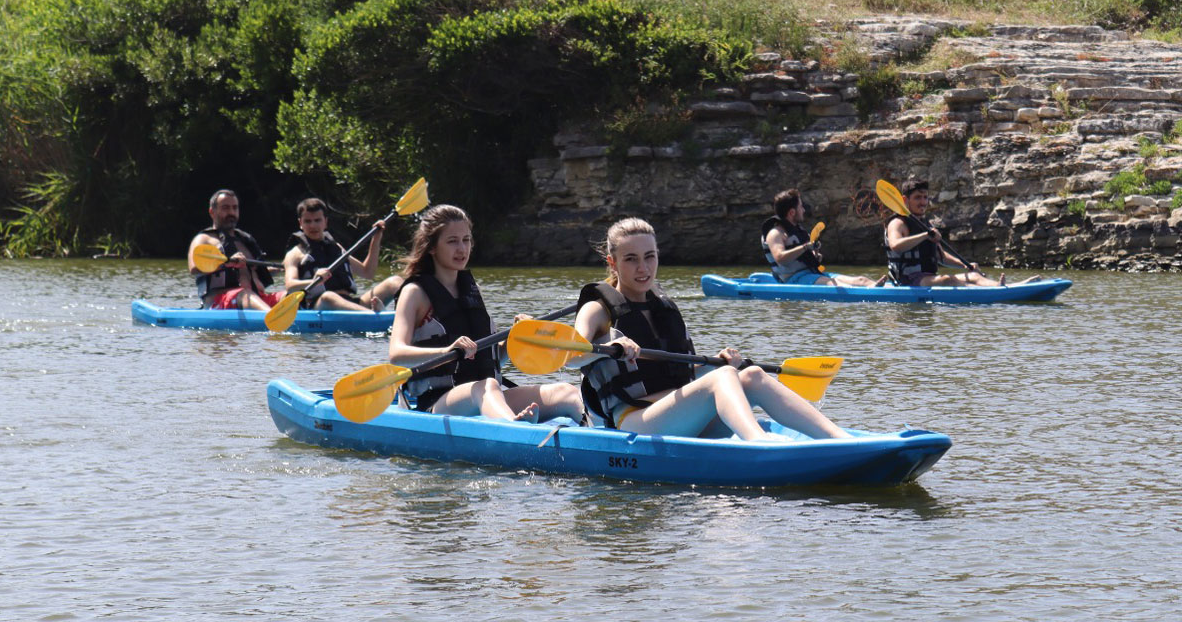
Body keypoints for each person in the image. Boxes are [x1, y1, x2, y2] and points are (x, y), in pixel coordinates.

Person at [569, 217, 850, 441]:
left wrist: (715, 365)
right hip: (634, 420)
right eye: (631, 259)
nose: (643, 268)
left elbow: (678, 375)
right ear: (613, 263)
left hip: (678, 414)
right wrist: (610, 349)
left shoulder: (663, 308)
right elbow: (572, 354)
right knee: (724, 377)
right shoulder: (597, 310)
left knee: (749, 374)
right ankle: (758, 442)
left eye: (649, 256)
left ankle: (839, 438)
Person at [388, 204, 584, 423]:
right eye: (452, 241)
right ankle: (514, 430)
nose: (462, 249)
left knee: (565, 392)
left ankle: (603, 437)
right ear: (432, 247)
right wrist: (447, 350)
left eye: (466, 240)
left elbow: (490, 358)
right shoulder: (415, 292)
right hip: (439, 404)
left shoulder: (470, 289)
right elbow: (396, 353)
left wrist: (517, 337)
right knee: (486, 387)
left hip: (488, 397)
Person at [884, 178, 1042, 287]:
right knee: (949, 279)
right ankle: (998, 290)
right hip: (907, 281)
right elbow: (896, 245)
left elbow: (941, 256)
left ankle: (1003, 287)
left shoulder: (925, 224)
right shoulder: (898, 223)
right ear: (905, 200)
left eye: (925, 197)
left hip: (926, 279)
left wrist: (965, 266)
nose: (923, 202)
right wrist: (925, 235)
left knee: (972, 276)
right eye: (918, 198)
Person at [282, 198, 404, 311]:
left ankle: (408, 315)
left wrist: (376, 238)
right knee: (328, 296)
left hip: (351, 304)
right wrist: (314, 281)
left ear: (325, 221)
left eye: (317, 220)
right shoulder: (294, 254)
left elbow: (368, 272)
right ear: (300, 223)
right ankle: (375, 316)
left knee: (395, 281)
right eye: (308, 221)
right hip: (319, 306)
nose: (313, 225)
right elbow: (290, 286)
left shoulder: (336, 247)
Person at [762, 188, 881, 287]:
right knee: (835, 284)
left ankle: (877, 287)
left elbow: (805, 256)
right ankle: (869, 295)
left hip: (812, 275)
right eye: (800, 207)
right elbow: (780, 257)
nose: (803, 210)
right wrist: (806, 247)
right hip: (793, 280)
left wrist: (815, 257)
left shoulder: (798, 231)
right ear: (792, 212)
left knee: (861, 280)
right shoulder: (775, 233)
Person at [187, 189, 284, 310]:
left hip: (255, 299)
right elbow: (194, 268)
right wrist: (225, 263)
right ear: (212, 212)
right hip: (219, 302)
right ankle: (273, 320)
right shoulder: (203, 239)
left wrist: (279, 268)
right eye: (225, 208)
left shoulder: (245, 240)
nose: (231, 212)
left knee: (288, 295)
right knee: (245, 294)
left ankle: (304, 321)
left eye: (235, 208)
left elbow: (250, 274)